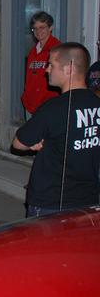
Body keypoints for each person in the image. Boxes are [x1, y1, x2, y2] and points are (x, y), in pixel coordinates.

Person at [13, 43, 100, 217]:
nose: (46, 70)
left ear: (68, 69)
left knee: (42, 245)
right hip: (88, 200)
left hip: (51, 202)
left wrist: (34, 143)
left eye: (51, 64)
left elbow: (19, 143)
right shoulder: (96, 102)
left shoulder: (53, 108)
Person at [21, 11, 61, 115]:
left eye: (42, 27)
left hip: (48, 107)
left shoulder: (57, 49)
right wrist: (26, 97)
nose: (38, 31)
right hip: (30, 105)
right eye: (35, 28)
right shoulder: (33, 52)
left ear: (50, 27)